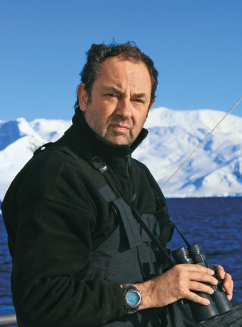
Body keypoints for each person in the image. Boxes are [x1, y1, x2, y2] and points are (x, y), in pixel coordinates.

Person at [1, 42, 239, 327]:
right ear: (84, 96)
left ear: (149, 107)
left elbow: (143, 264)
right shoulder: (56, 176)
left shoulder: (139, 174)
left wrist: (191, 280)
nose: (125, 111)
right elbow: (41, 304)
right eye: (112, 95)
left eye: (138, 100)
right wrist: (151, 292)